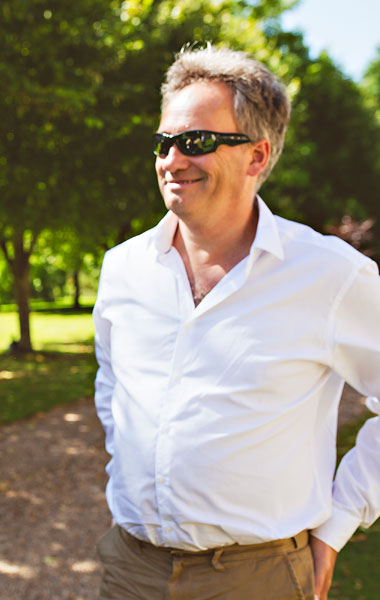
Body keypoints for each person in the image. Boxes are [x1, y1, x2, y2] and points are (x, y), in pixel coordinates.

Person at [93, 46, 380, 600]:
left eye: (196, 142)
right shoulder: (121, 267)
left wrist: (338, 524)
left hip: (260, 578)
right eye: (164, 141)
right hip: (130, 568)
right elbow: (114, 388)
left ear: (257, 156)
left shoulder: (330, 274)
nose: (172, 160)